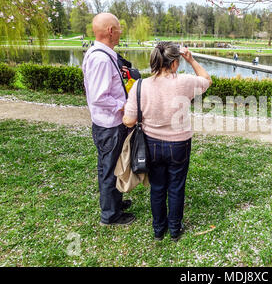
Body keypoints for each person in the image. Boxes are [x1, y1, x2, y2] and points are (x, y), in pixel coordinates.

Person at [123, 42, 212, 242]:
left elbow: (129, 120)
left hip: (150, 144)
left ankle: (158, 230)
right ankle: (174, 229)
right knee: (176, 187)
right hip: (179, 144)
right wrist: (191, 59)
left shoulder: (140, 85)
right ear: (174, 63)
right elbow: (207, 80)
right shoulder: (185, 82)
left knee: (157, 187)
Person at [82, 13, 135, 226]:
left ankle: (115, 202)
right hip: (110, 124)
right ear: (111, 31)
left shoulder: (104, 54)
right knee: (109, 168)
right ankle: (110, 215)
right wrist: (123, 106)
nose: (121, 31)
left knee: (112, 165)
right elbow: (98, 96)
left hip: (110, 123)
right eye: (119, 28)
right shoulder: (101, 59)